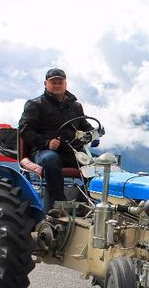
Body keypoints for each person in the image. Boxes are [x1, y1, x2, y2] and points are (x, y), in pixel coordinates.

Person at [19, 68, 94, 210]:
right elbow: (25, 130)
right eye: (53, 82)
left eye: (60, 82)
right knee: (51, 159)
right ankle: (58, 205)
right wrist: (47, 143)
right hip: (43, 151)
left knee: (100, 164)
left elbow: (85, 125)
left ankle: (90, 202)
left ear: (65, 84)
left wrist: (93, 133)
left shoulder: (75, 106)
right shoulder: (35, 105)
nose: (57, 85)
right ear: (46, 84)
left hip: (71, 151)